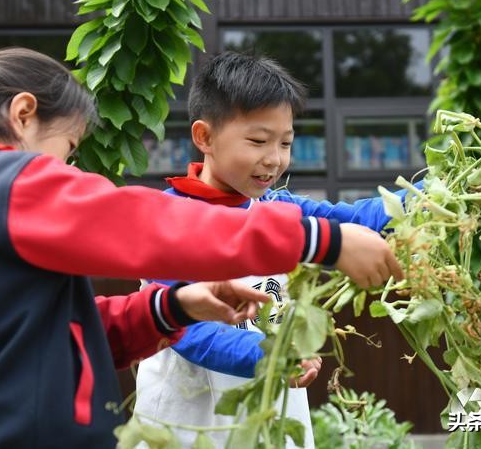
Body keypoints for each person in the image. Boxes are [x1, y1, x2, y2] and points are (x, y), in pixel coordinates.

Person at [0, 48, 404, 448]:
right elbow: (144, 223)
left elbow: (60, 336)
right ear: (23, 114)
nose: (70, 170)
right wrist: (321, 240)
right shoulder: (2, 184)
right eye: (69, 151)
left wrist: (170, 306)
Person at [134, 52, 417, 448]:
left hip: (272, 417)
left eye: (285, 143)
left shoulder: (279, 207)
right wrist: (270, 356)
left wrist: (437, 192)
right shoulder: (167, 217)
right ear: (205, 137)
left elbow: (359, 220)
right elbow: (188, 330)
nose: (274, 159)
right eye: (258, 141)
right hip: (188, 425)